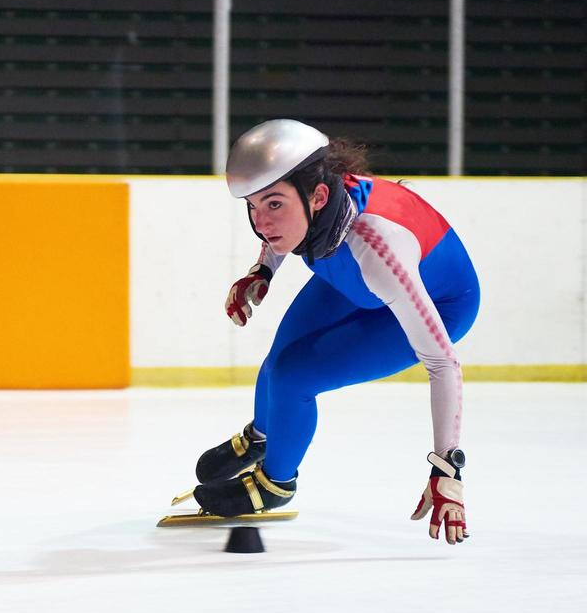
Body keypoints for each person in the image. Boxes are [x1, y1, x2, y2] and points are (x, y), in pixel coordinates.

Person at [187, 119, 481, 545]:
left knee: (294, 376)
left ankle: (275, 483)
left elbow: (443, 363)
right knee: (276, 364)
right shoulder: (316, 197)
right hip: (353, 275)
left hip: (437, 301)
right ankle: (265, 435)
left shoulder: (379, 249)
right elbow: (280, 227)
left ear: (319, 197)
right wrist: (262, 271)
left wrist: (447, 470)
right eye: (252, 207)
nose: (261, 222)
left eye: (273, 205)